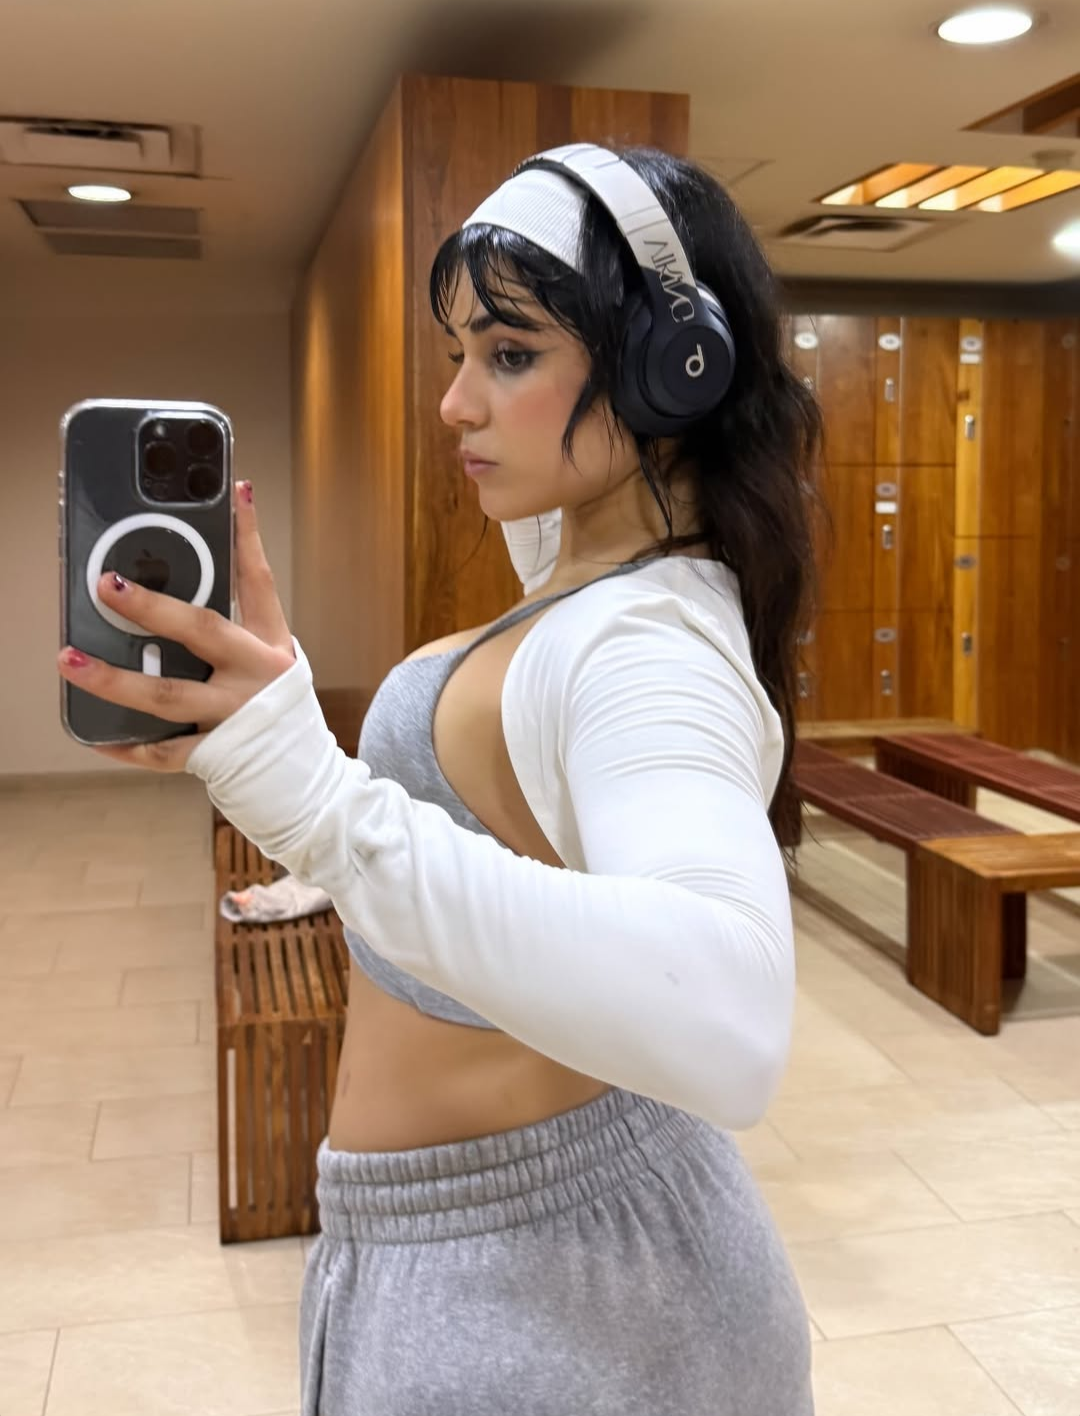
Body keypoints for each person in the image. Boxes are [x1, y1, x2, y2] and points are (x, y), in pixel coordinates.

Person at [58, 142, 823, 1415]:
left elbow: (733, 1020)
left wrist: (323, 802)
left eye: (510, 355)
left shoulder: (643, 641)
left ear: (672, 366)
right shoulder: (599, 591)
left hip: (561, 1307)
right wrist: (284, 755)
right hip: (490, 1257)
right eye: (457, 355)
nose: (456, 404)